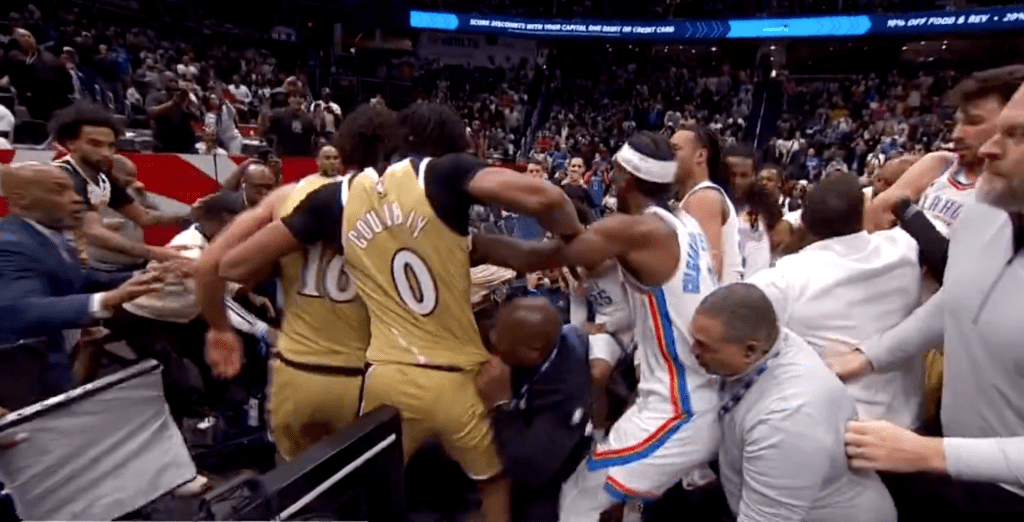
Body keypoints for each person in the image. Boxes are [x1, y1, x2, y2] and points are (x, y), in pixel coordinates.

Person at [249, 102, 583, 522]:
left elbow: (233, 264)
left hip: (379, 374)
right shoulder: (442, 202)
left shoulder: (332, 201)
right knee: (493, 484)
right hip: (452, 376)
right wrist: (575, 239)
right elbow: (533, 242)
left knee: (369, 490)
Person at [829, 81, 1024, 520]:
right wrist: (869, 356)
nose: (990, 148)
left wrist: (930, 454)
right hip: (956, 467)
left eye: (1016, 136)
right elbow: (956, 301)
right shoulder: (981, 211)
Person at [199, 106, 391, 460]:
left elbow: (210, 264)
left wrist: (219, 329)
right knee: (364, 491)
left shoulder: (288, 196)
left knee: (293, 487)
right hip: (370, 378)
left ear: (342, 149)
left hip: (299, 371)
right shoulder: (402, 205)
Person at [556, 132, 719, 521]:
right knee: (629, 504)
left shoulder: (637, 230)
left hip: (680, 406)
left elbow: (551, 252)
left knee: (577, 498)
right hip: (691, 392)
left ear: (624, 176)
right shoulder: (684, 223)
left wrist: (480, 244)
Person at [690, 283, 896, 522]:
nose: (693, 350)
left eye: (704, 346)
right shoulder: (772, 344)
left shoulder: (785, 418)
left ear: (750, 351)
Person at [746, 173, 923, 428]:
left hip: (832, 431)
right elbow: (907, 188)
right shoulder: (904, 247)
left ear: (805, 221)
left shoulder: (783, 280)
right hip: (905, 429)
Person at [0, 162, 163, 397]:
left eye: (75, 190)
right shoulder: (9, 244)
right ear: (20, 200)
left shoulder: (46, 235)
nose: (77, 199)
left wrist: (143, 277)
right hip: (19, 378)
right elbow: (18, 310)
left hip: (54, 364)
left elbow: (78, 279)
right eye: (60, 191)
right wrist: (105, 301)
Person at [865, 65, 1024, 235]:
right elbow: (875, 216)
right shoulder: (941, 163)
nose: (956, 134)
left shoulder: (1011, 193)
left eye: (973, 122)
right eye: (957, 122)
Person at [476, 297, 592, 522]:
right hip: (521, 429)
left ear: (533, 353)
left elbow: (530, 470)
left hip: (551, 470)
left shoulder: (566, 390)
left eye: (502, 340)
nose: (493, 338)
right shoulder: (532, 340)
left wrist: (503, 404)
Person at [49, 102, 186, 263]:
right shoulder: (63, 175)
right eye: (95, 144)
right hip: (44, 260)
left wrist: (190, 215)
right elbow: (92, 232)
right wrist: (152, 252)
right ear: (70, 143)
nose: (106, 153)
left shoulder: (102, 177)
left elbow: (143, 216)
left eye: (111, 146)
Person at [671, 125, 742, 283]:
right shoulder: (696, 196)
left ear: (700, 155)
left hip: (713, 303)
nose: (668, 156)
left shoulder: (704, 197)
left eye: (675, 149)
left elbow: (708, 269)